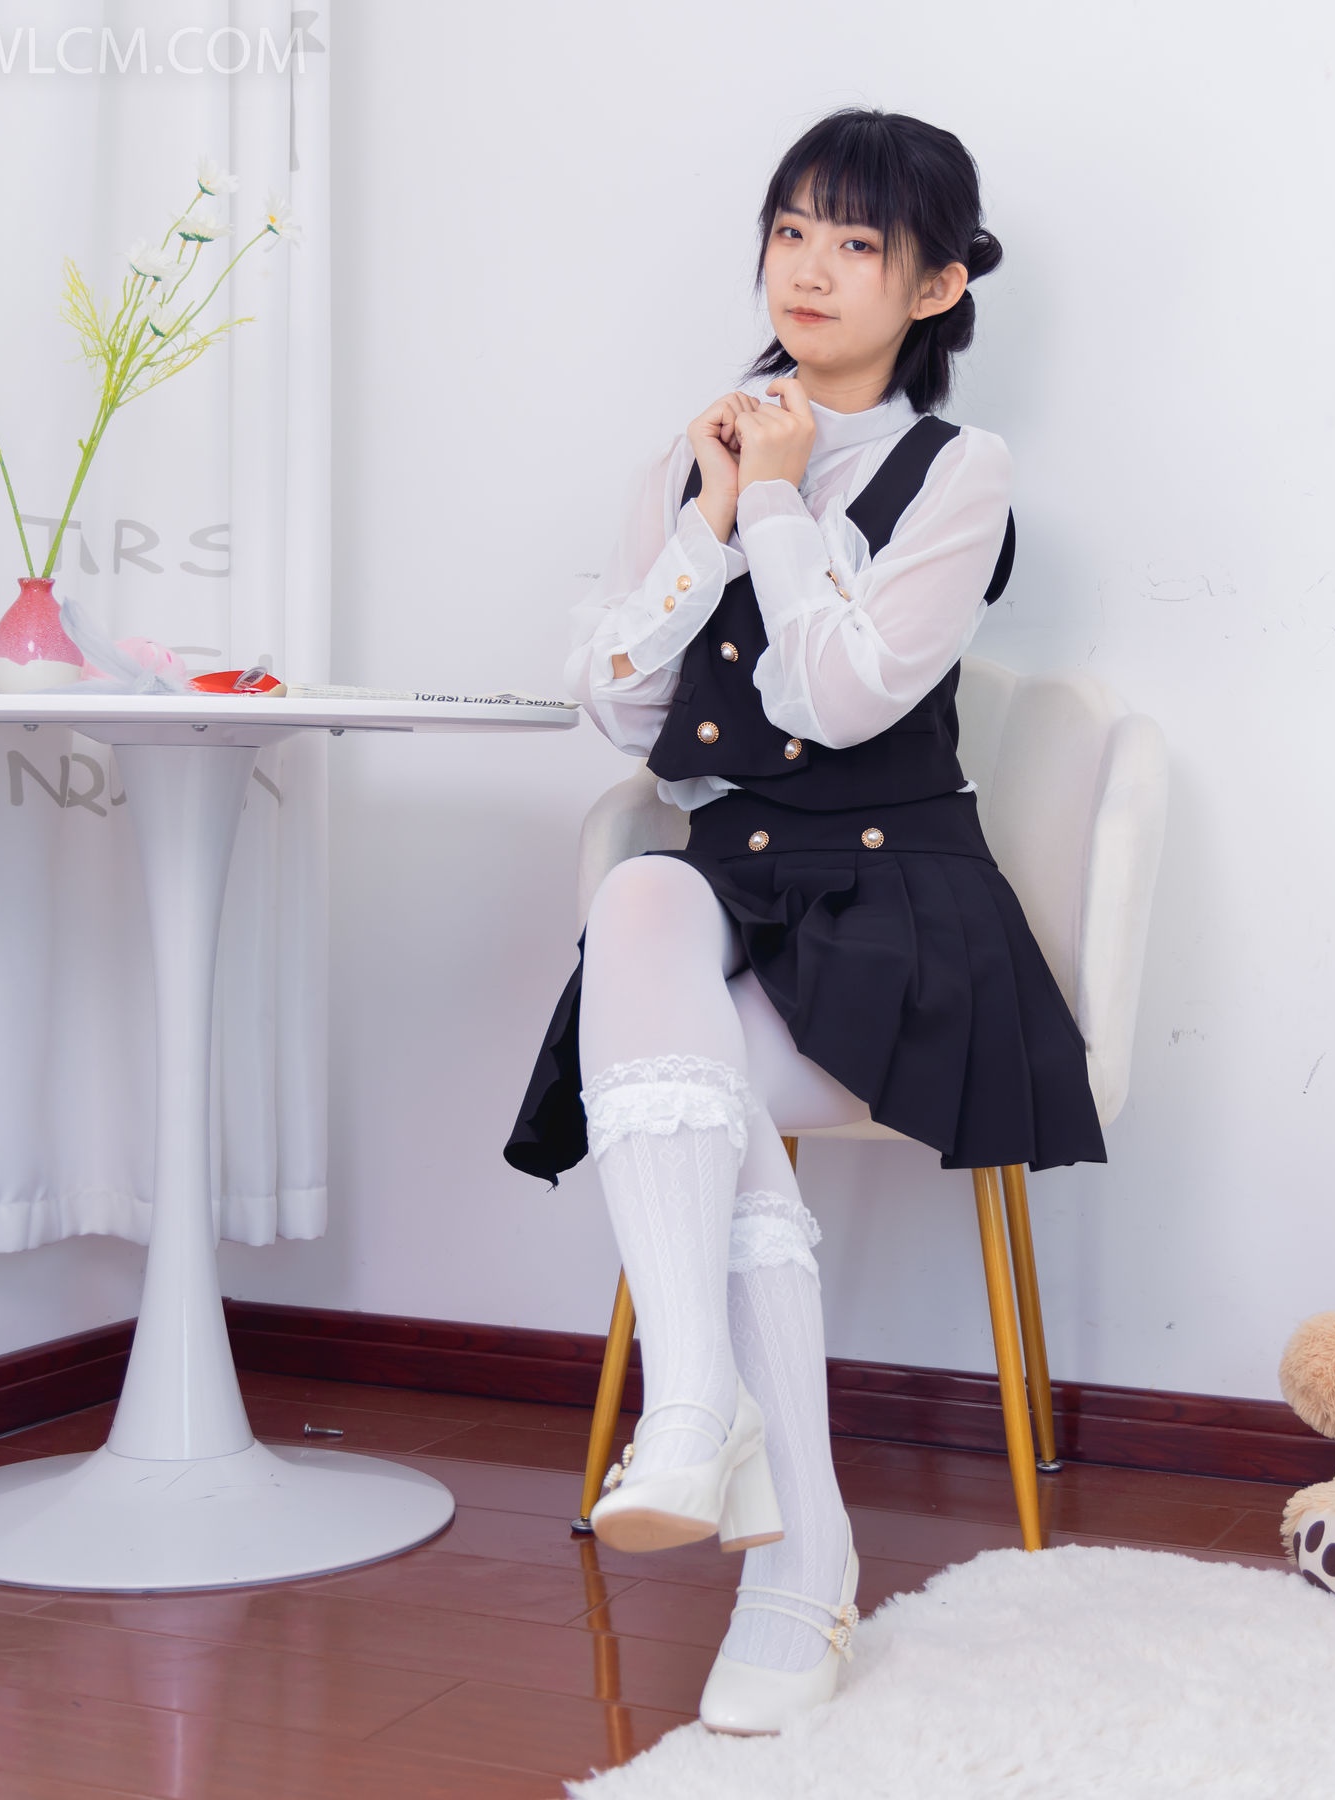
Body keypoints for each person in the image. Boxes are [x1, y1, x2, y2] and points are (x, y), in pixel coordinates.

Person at [504, 107, 1103, 1736]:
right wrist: (708, 509)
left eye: (855, 241)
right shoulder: (694, 451)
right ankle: (740, 1470)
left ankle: (751, 1502)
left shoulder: (956, 471)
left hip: (900, 904)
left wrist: (775, 503)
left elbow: (840, 701)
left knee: (684, 1087)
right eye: (789, 231)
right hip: (730, 892)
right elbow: (619, 716)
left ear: (936, 285)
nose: (809, 269)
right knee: (642, 890)